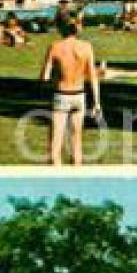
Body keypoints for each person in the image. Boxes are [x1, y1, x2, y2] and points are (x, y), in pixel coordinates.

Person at [40, 16, 101, 166]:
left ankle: (57, 181)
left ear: (61, 29)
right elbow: (93, 76)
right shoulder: (86, 47)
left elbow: (44, 77)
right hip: (79, 95)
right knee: (77, 142)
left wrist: (55, 74)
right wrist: (97, 102)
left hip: (62, 94)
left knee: (56, 143)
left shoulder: (55, 46)